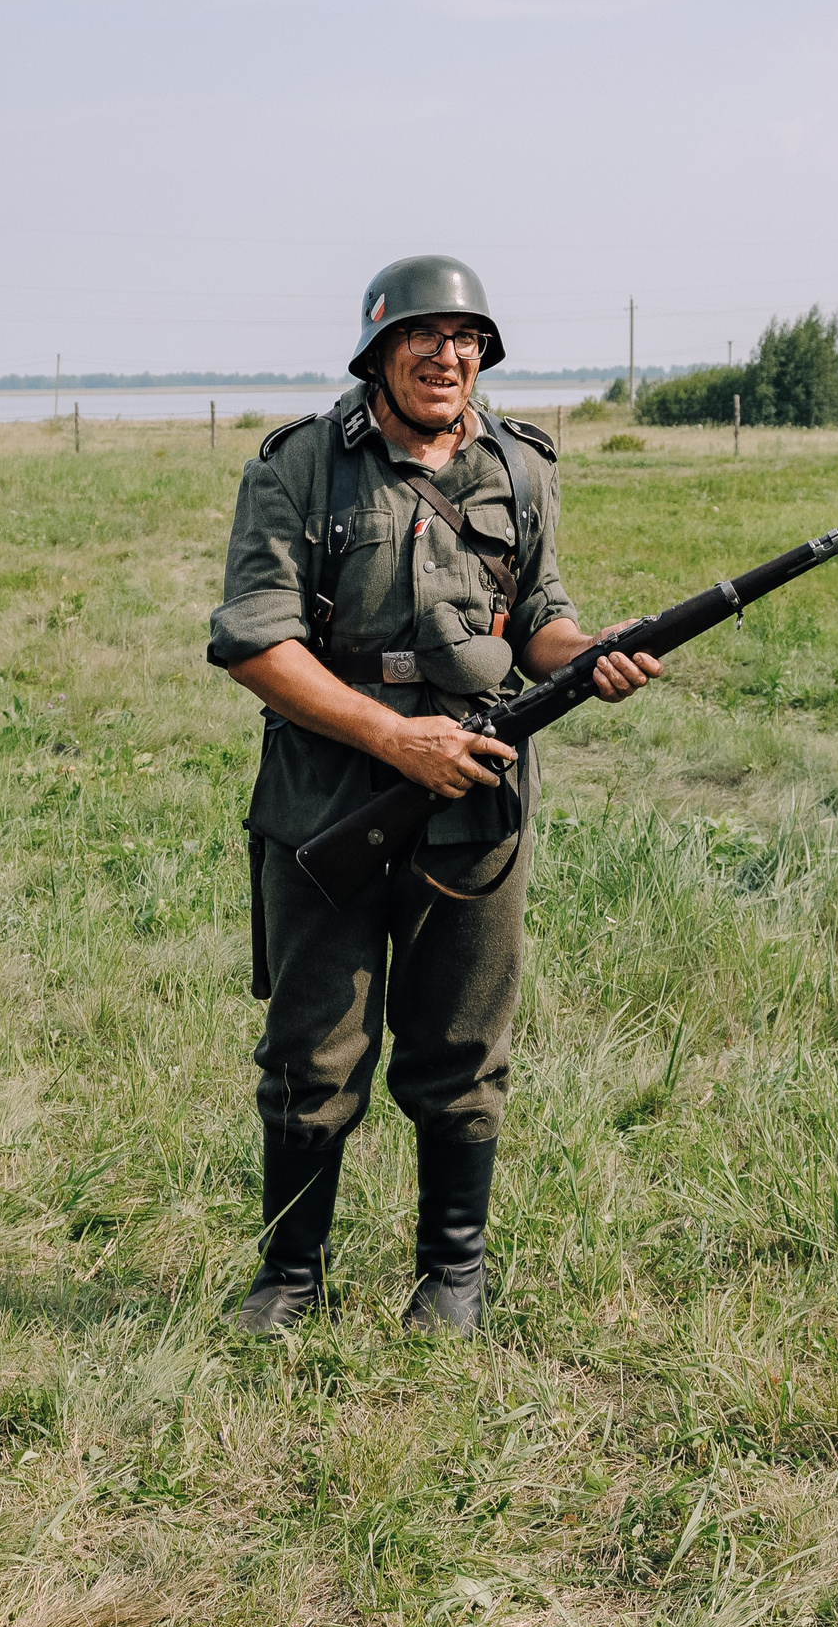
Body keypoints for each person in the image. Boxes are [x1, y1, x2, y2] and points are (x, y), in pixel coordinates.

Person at [207, 255, 661, 1335]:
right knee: (312, 1049)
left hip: (474, 800)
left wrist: (586, 653)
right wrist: (392, 738)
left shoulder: (520, 467)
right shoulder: (299, 467)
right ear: (377, 351)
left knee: (461, 1045)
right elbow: (256, 642)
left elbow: (536, 616)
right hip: (327, 796)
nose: (447, 356)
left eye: (466, 339)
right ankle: (291, 1278)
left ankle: (452, 1277)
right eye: (424, 335)